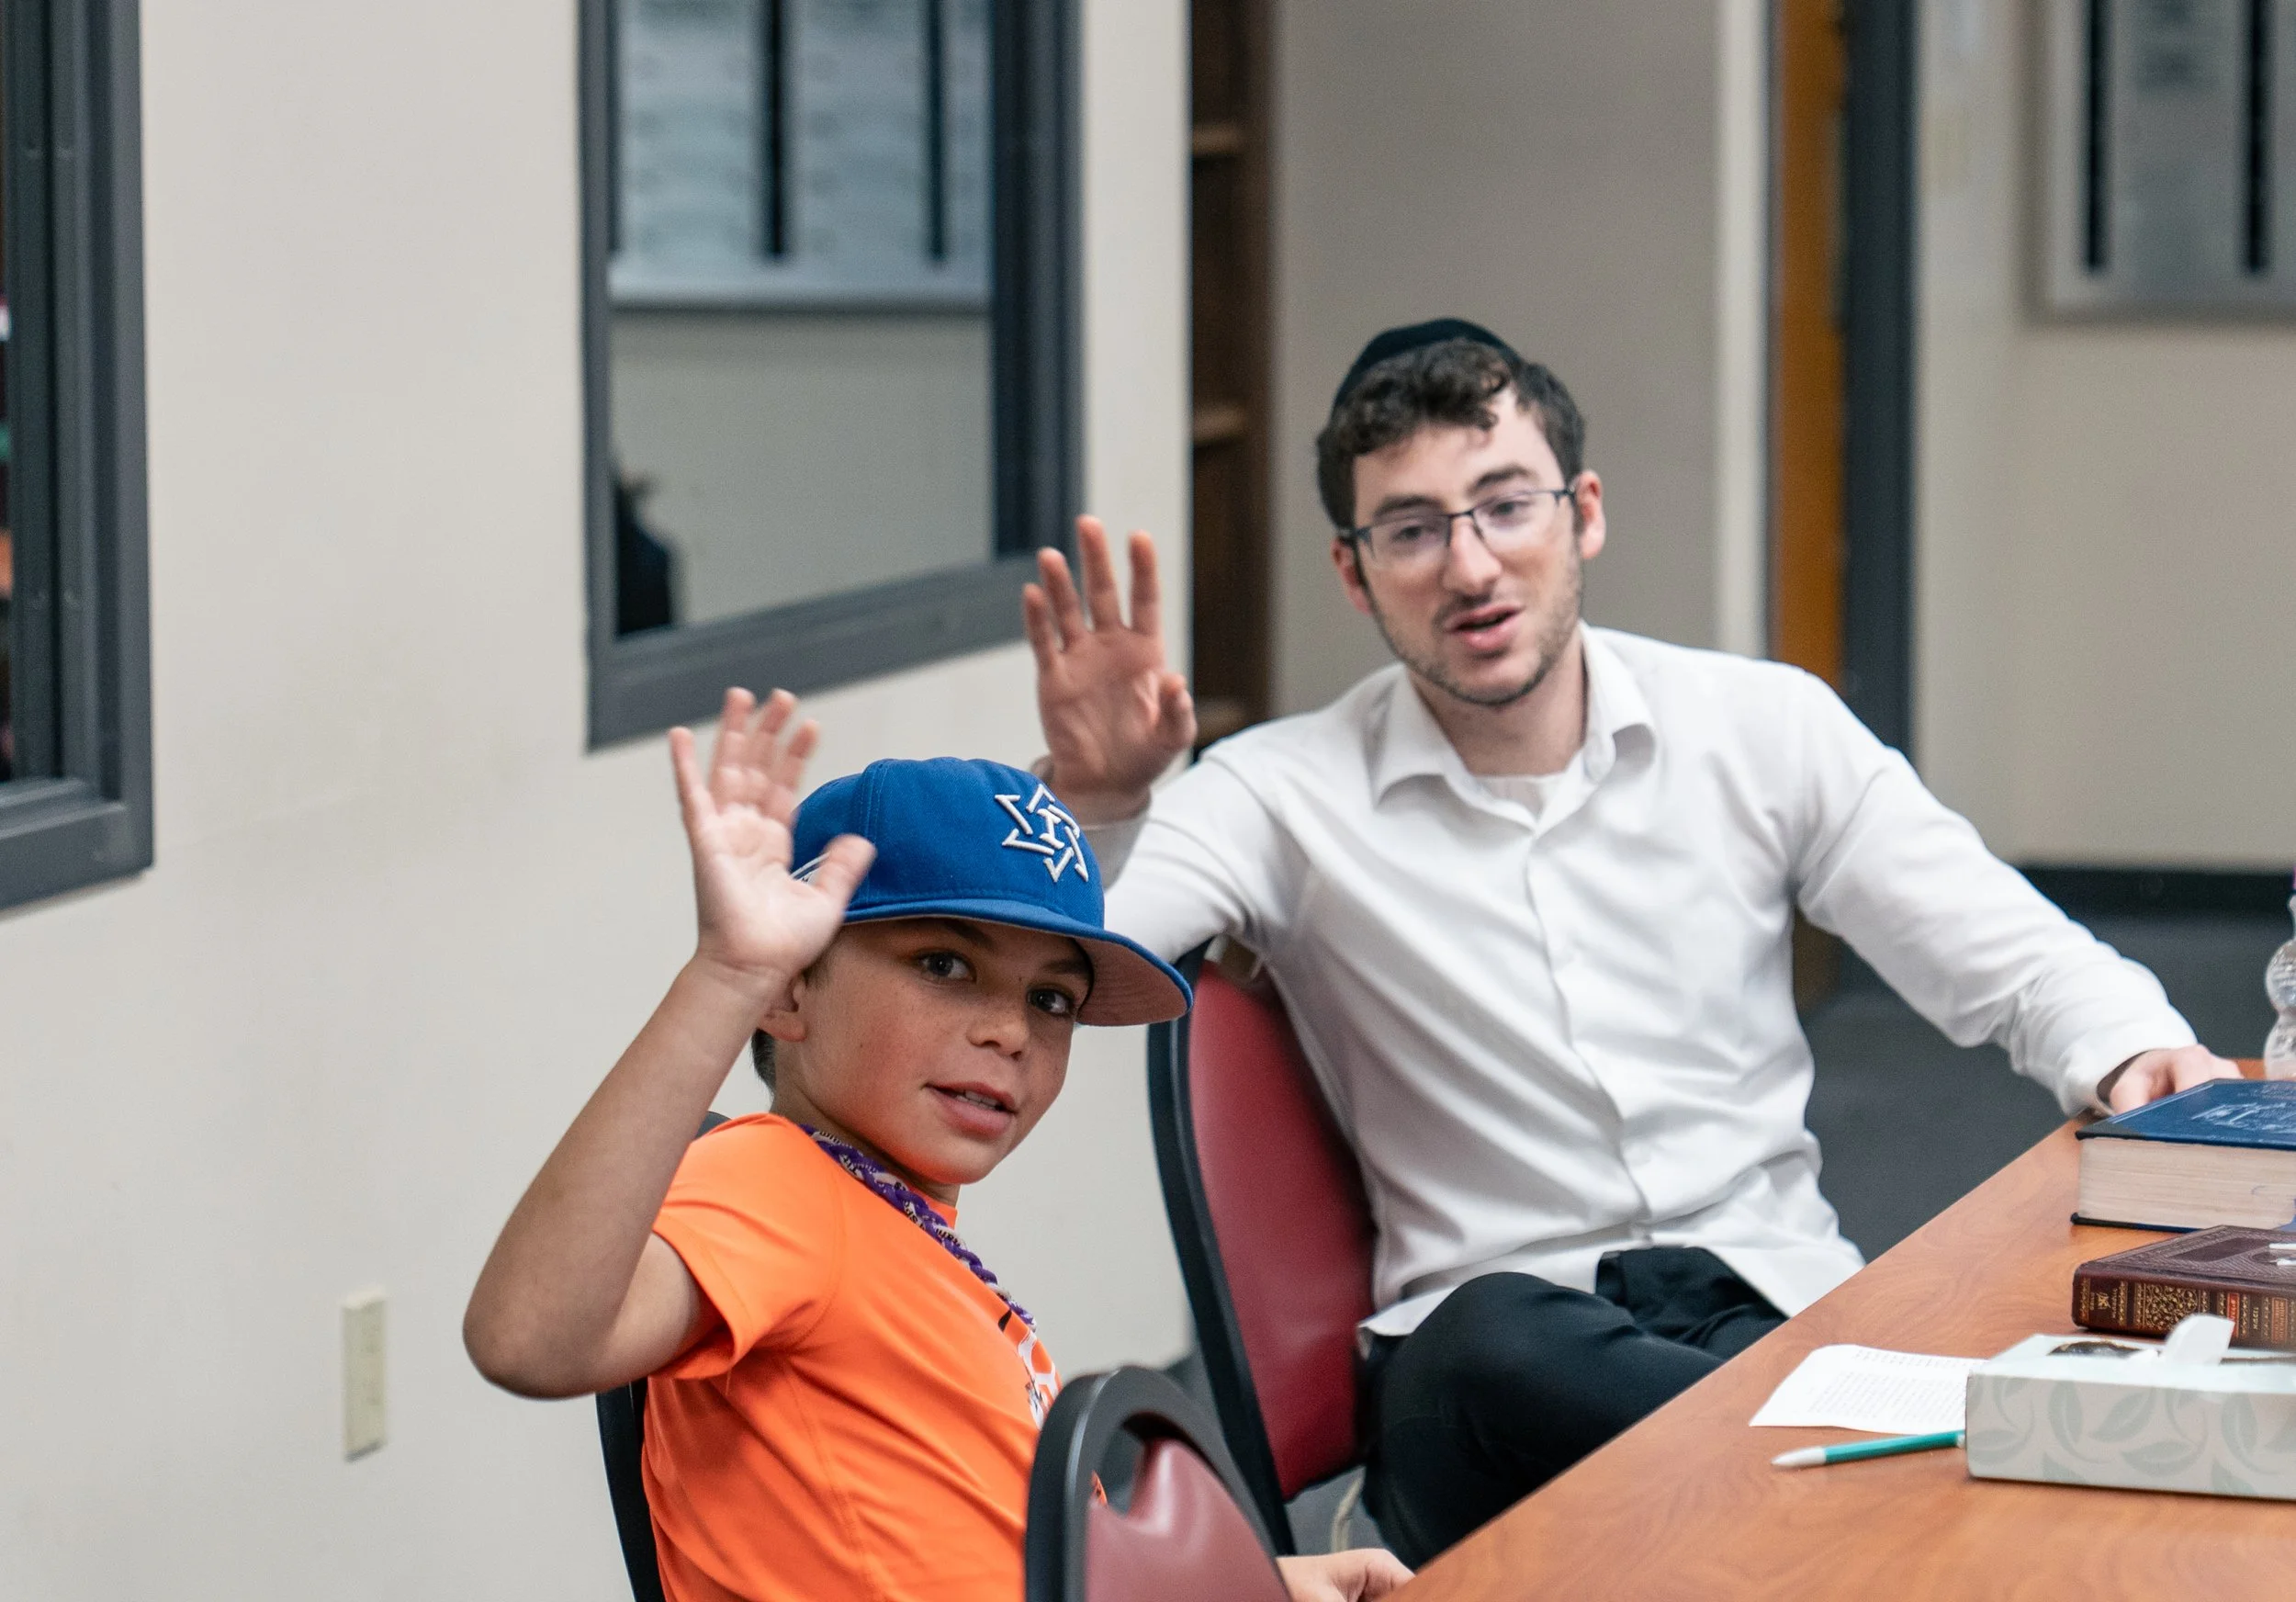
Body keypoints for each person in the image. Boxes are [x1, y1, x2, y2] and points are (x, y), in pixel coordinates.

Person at [1021, 318, 2245, 1565]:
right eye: (1411, 529)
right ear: (1355, 572)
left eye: (1506, 505)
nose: (1470, 566)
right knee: (1499, 1336)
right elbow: (1061, 949)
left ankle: (1839, 1512)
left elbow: (2009, 951)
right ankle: (1895, 1504)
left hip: (1773, 1311)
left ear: (1584, 513)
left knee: (1889, 1342)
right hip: (1485, 1382)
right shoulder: (1276, 794)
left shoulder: (1761, 727)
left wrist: (2139, 1051)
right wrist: (1098, 802)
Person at [462, 688, 1411, 1602]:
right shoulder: (776, 1183)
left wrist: (1245, 1586)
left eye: (1050, 999)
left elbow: (997, 1561)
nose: (1010, 1032)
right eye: (945, 966)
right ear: (790, 993)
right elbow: (529, 1339)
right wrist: (726, 976)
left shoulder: (905, 1230)